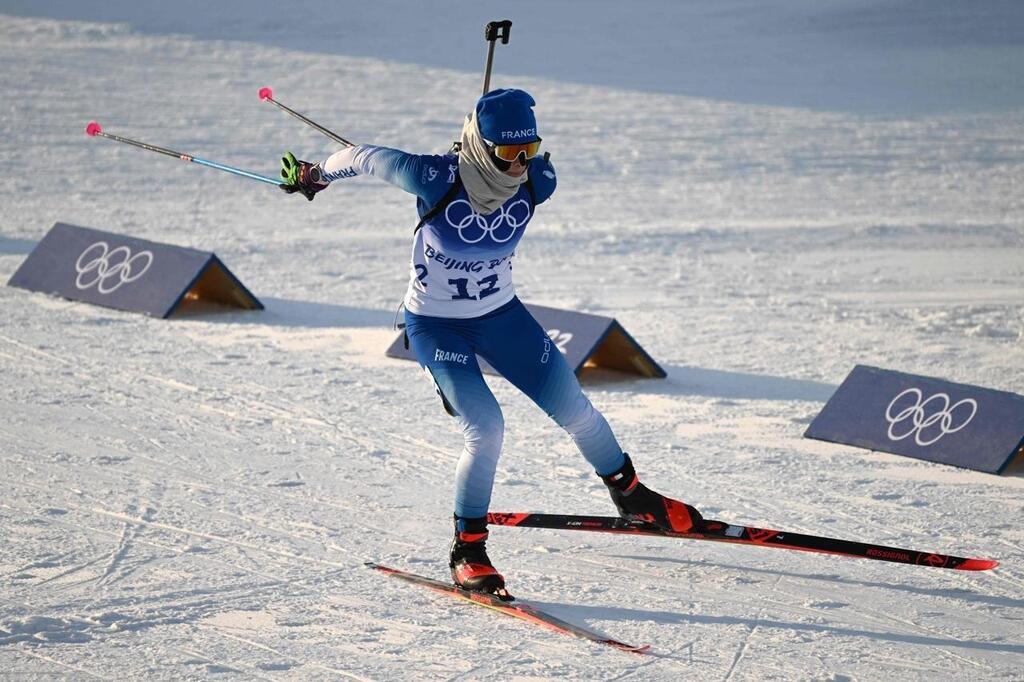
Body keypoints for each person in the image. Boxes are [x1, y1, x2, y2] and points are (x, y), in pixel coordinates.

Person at [279, 88, 702, 598]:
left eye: (529, 150)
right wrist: (314, 175)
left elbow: (526, 170)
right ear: (481, 147)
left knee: (578, 411)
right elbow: (365, 157)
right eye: (507, 154)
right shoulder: (432, 177)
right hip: (438, 326)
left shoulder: (538, 182)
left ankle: (633, 497)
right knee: (487, 428)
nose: (520, 165)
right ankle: (468, 549)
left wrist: (513, 162)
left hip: (501, 316)